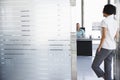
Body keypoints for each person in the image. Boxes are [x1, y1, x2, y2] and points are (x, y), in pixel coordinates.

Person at [91, 4, 119, 80]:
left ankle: (106, 77)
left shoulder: (105, 21)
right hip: (112, 47)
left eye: (103, 10)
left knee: (95, 66)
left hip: (105, 47)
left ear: (106, 11)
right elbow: (117, 36)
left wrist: (99, 47)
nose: (102, 12)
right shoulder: (115, 22)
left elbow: (104, 36)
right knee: (108, 67)